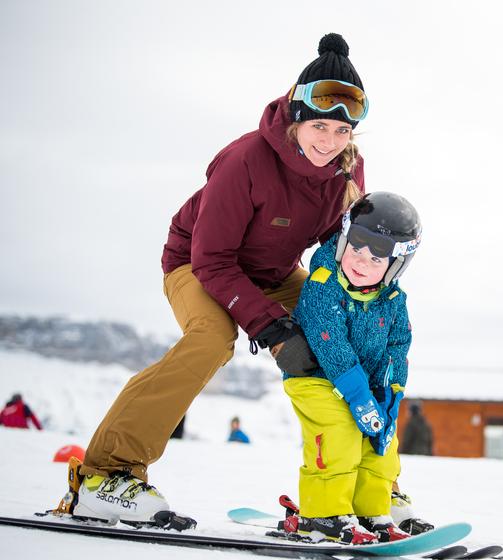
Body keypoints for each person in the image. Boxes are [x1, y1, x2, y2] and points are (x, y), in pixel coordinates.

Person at [55, 33, 370, 528]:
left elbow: (336, 250)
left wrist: (337, 306)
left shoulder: (347, 173)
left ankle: (365, 486)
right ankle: (104, 476)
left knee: (344, 338)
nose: (329, 142)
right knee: (212, 339)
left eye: (342, 131)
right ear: (296, 116)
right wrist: (272, 328)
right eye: (320, 126)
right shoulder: (245, 160)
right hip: (198, 264)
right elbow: (212, 258)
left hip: (276, 271)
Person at [280, 191, 422, 545]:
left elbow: (397, 348)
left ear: (395, 265)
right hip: (316, 379)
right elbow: (331, 343)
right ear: (344, 241)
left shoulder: (393, 300)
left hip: (365, 387)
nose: (362, 262)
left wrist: (390, 397)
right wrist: (359, 398)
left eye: (376, 258)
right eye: (356, 249)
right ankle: (323, 515)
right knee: (340, 433)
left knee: (382, 445)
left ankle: (371, 512)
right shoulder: (323, 284)